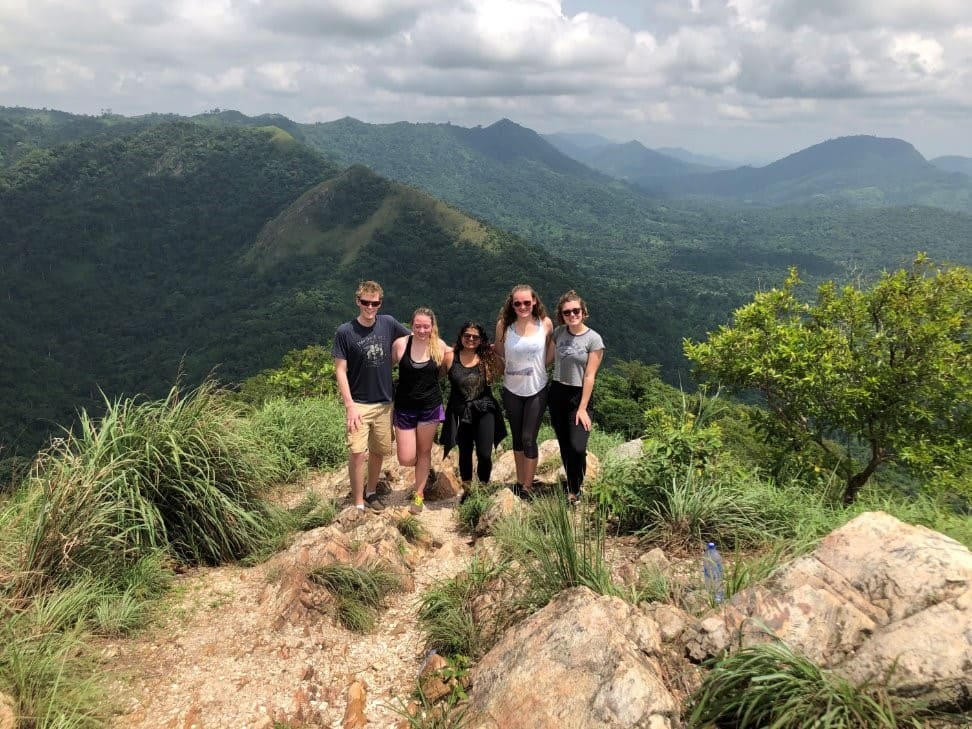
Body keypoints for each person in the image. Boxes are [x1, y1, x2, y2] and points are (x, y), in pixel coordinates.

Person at [332, 281, 409, 512]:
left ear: (380, 303)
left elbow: (414, 337)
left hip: (385, 402)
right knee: (357, 452)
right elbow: (340, 370)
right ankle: (357, 502)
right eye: (365, 302)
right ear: (357, 301)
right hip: (359, 404)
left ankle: (371, 491)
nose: (370, 307)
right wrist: (349, 406)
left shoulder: (388, 323)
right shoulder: (345, 332)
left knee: (378, 451)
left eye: (375, 303)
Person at [495, 284, 554, 499]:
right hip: (511, 388)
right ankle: (520, 482)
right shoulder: (504, 326)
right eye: (518, 303)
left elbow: (551, 351)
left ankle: (528, 488)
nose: (522, 307)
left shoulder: (545, 324)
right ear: (512, 304)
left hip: (536, 389)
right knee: (518, 439)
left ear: (534, 301)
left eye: (527, 302)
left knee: (529, 437)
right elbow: (499, 352)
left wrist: (538, 367)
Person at [392, 307, 452, 514]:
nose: (422, 330)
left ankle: (419, 494)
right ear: (411, 325)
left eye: (426, 326)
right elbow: (383, 366)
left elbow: (452, 366)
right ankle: (423, 469)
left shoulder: (440, 346)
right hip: (404, 407)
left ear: (432, 326)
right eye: (417, 325)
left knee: (424, 452)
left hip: (430, 407)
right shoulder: (401, 344)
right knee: (406, 458)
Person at [549, 290, 605, 502]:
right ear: (561, 315)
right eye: (567, 312)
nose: (572, 315)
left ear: (583, 312)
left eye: (576, 311)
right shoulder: (559, 333)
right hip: (556, 393)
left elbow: (590, 375)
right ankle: (573, 490)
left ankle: (575, 483)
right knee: (565, 444)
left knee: (577, 445)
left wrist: (582, 407)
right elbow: (547, 359)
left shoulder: (594, 339)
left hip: (579, 395)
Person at [439, 322, 507, 490]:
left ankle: (483, 486)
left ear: (481, 339)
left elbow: (504, 370)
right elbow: (436, 380)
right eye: (467, 336)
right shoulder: (450, 357)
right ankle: (467, 489)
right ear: (461, 337)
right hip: (460, 410)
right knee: (465, 451)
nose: (471, 339)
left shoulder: (487, 358)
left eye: (475, 337)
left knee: (484, 453)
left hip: (485, 409)